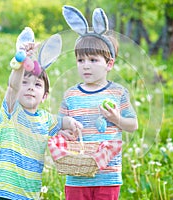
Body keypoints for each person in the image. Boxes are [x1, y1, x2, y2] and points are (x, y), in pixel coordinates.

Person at [0, 29, 82, 200]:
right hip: (5, 192)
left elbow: (63, 122)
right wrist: (22, 59)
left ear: (45, 96)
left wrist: (73, 125)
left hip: (31, 195)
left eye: (38, 84)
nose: (31, 87)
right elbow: (13, 86)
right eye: (25, 82)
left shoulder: (46, 119)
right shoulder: (12, 110)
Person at [59, 6, 138, 200]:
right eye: (80, 60)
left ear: (109, 64)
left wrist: (116, 118)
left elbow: (133, 125)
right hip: (77, 175)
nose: (86, 65)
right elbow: (59, 125)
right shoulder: (71, 95)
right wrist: (64, 131)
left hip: (108, 175)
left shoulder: (117, 93)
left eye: (93, 60)